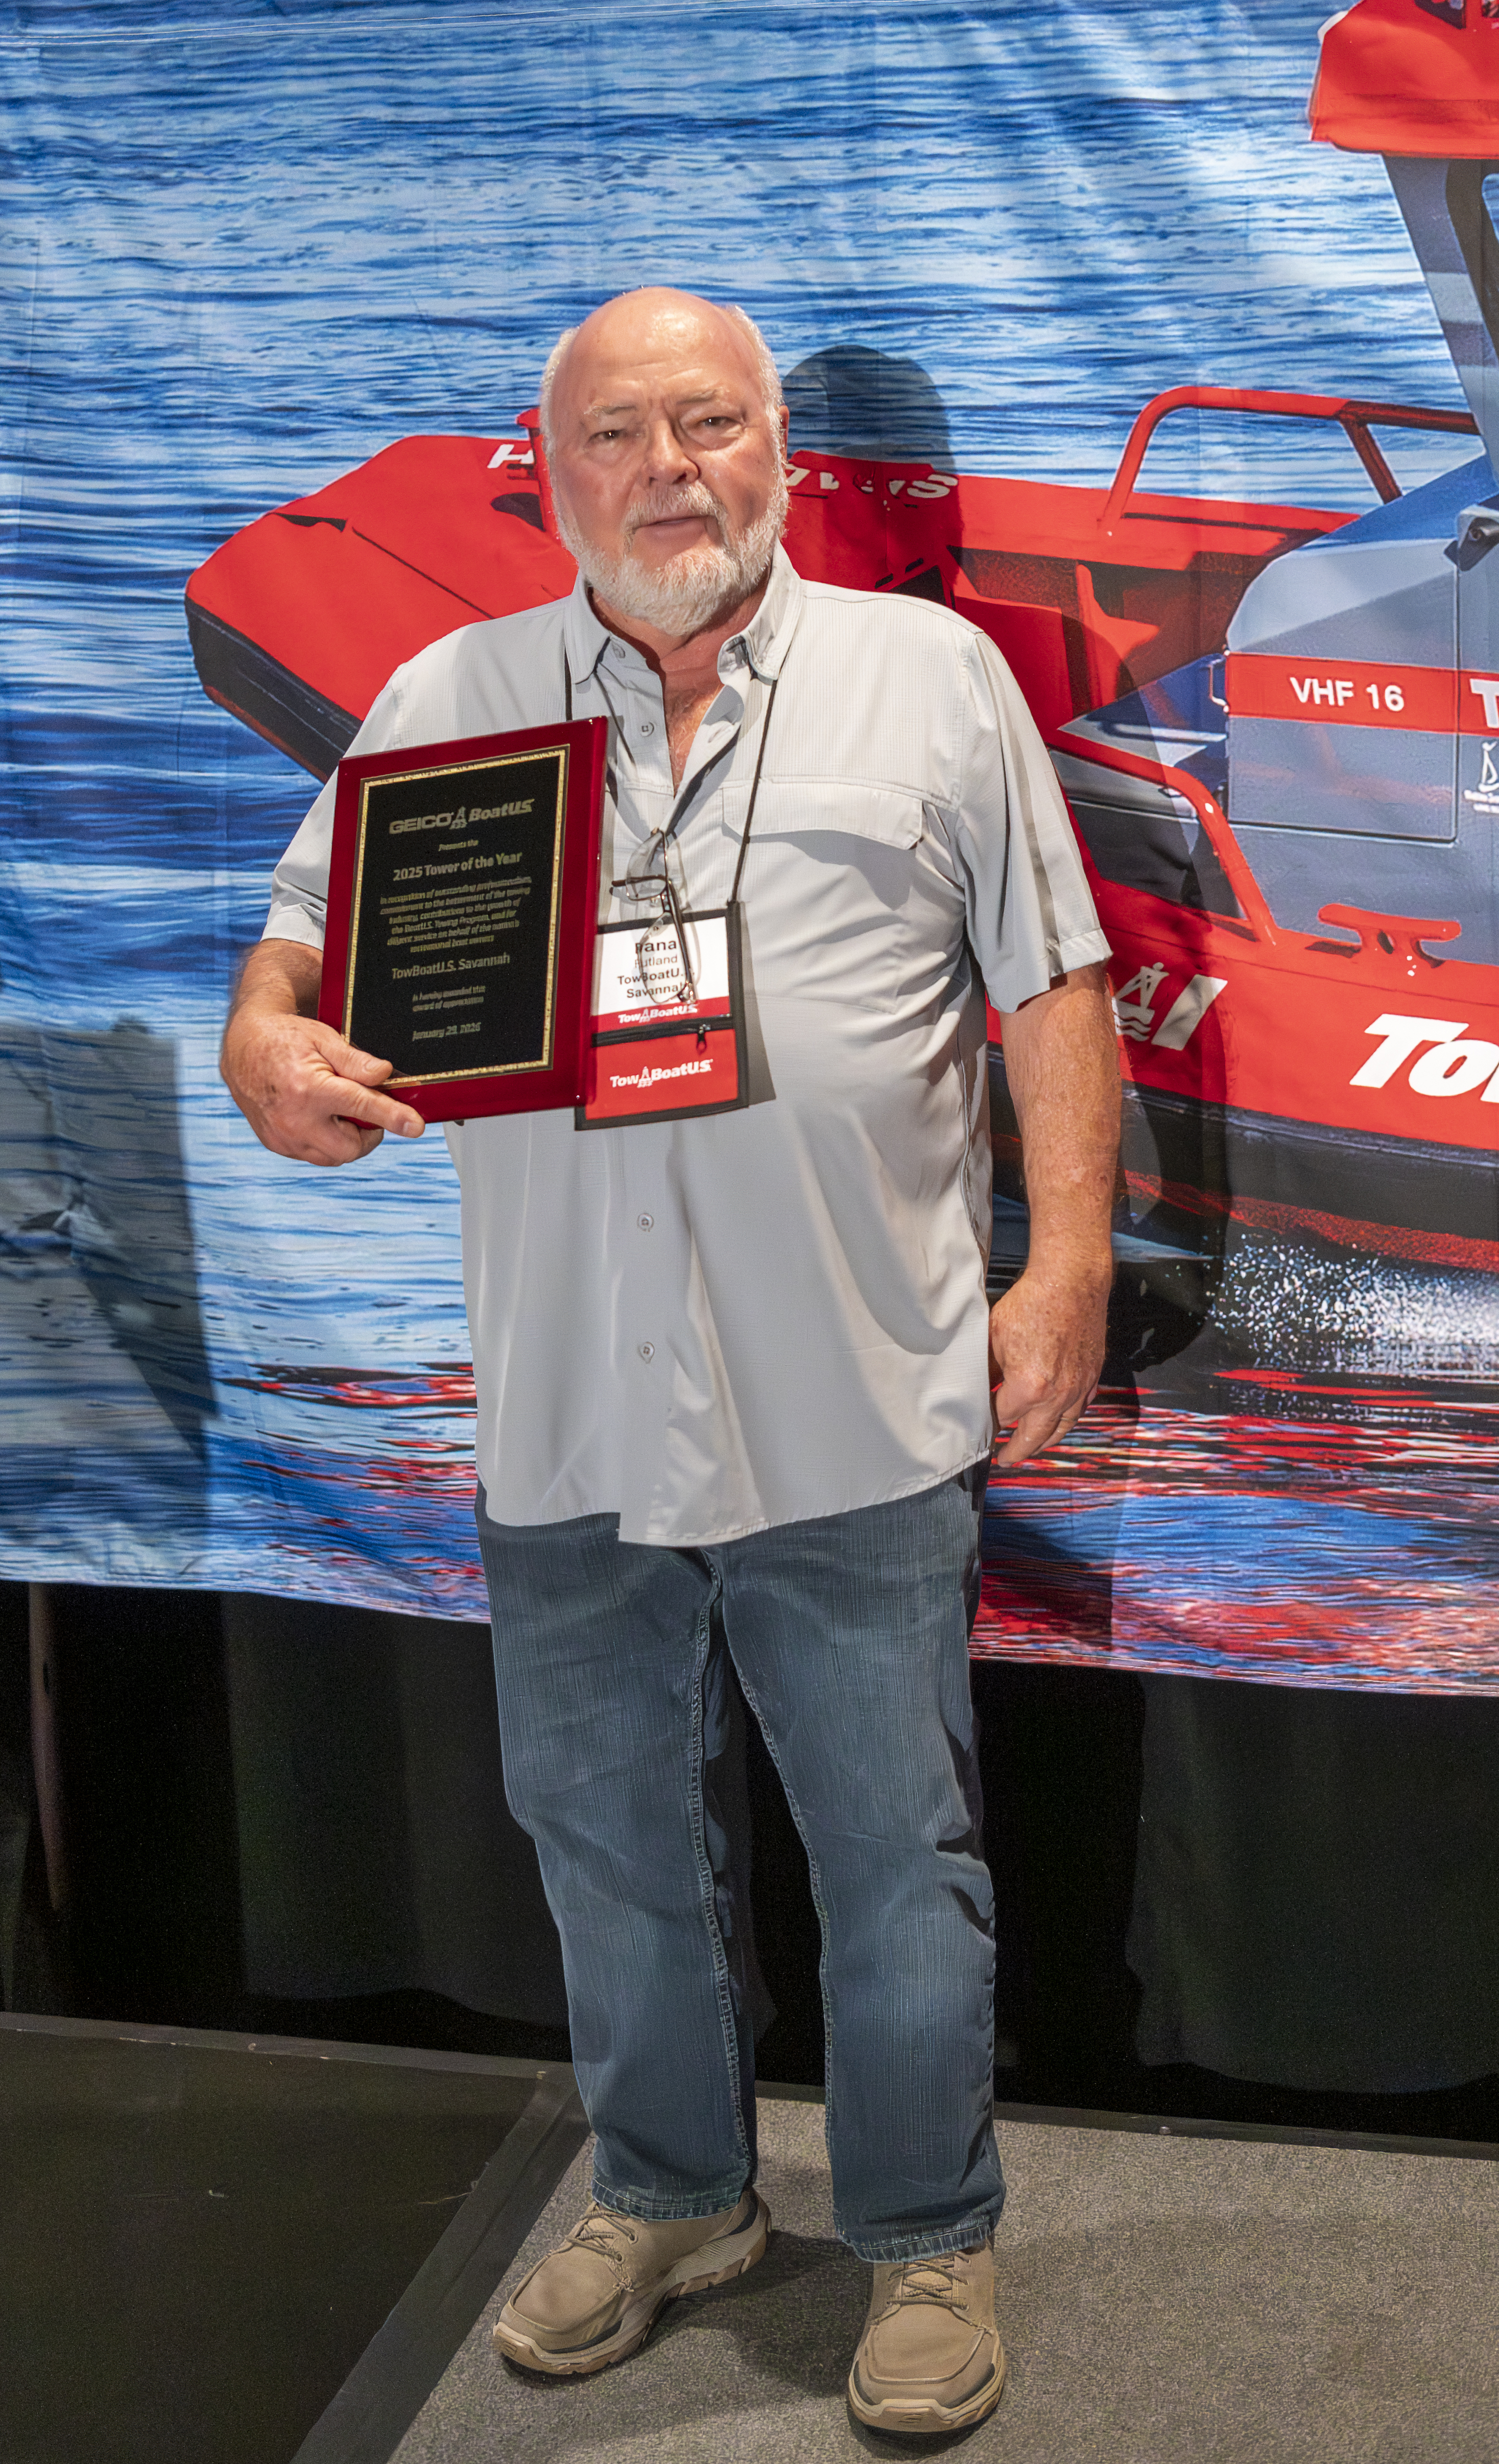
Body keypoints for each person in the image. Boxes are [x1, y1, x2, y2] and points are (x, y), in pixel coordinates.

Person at [221, 287, 1120, 2439]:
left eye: (708, 423)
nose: (668, 469)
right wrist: (266, 1052)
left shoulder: (934, 686)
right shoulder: (446, 696)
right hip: (569, 1409)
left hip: (858, 1390)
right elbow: (285, 967)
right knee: (606, 1842)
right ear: (557, 469)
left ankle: (923, 2237)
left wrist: (1068, 1252)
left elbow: (1053, 985)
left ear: (779, 455)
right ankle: (671, 2190)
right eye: (618, 433)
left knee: (898, 1855)